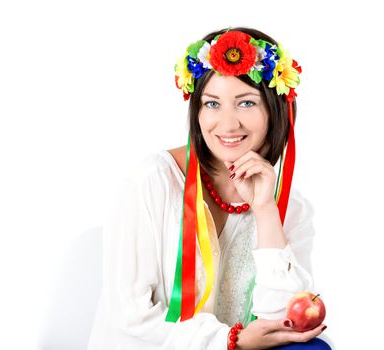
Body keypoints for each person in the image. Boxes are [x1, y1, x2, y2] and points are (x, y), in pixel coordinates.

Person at [88, 27, 331, 349]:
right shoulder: (152, 181)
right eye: (212, 104)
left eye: (245, 103)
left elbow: (283, 322)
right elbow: (129, 316)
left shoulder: (292, 207)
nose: (227, 124)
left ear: (275, 109)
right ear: (197, 110)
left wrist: (265, 211)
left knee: (311, 348)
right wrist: (232, 340)